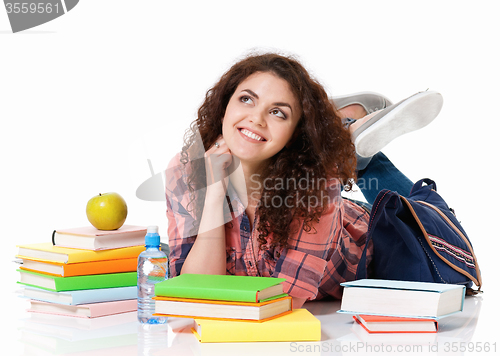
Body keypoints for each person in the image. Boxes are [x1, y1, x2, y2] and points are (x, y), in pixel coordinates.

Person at [165, 52, 443, 309]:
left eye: (278, 112)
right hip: (330, 203)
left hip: (389, 242)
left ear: (295, 134)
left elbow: (287, 299)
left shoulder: (318, 184)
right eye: (246, 99)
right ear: (224, 105)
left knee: (431, 222)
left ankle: (344, 136)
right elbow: (194, 291)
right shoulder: (185, 172)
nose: (256, 118)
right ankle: (340, 131)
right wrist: (215, 192)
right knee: (333, 156)